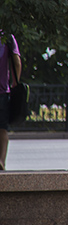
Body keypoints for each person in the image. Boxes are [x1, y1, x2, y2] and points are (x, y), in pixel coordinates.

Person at [0, 30, 22, 170]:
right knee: (2, 128)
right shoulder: (7, 36)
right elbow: (17, 61)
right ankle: (1, 160)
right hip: (2, 91)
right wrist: (15, 83)